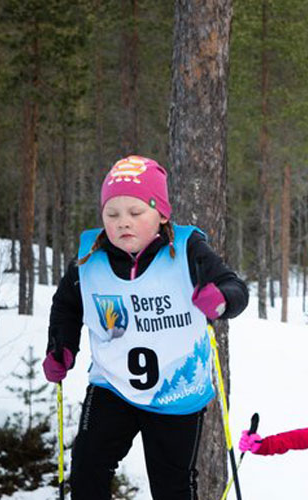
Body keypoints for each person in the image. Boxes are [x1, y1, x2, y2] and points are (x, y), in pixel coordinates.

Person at [42, 155, 249, 499]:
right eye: (112, 214)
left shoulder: (186, 249)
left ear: (162, 214)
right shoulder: (89, 260)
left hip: (176, 390)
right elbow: (66, 306)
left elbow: (234, 286)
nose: (123, 222)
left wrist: (222, 299)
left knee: (173, 486)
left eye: (135, 213)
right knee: (87, 468)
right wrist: (60, 347)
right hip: (112, 385)